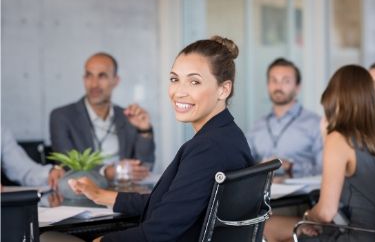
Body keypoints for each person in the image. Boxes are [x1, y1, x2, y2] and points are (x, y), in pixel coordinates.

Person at [67, 36, 254, 242]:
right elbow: (172, 203)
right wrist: (101, 195)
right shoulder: (227, 136)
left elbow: (159, 233)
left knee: (48, 237)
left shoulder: (208, 148)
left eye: (194, 81)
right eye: (175, 79)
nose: (179, 92)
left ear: (223, 89)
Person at [264, 65, 375, 242]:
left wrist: (307, 217)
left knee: (267, 226)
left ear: (335, 98)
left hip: (352, 235)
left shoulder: (339, 139)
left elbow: (326, 212)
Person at [50, 52, 155, 181]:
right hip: (84, 193)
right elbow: (67, 165)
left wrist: (144, 130)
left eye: (102, 76)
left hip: (123, 192)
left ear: (115, 81)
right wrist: (107, 172)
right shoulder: (62, 116)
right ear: (84, 79)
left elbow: (145, 168)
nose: (94, 84)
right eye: (89, 75)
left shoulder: (128, 117)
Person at [247, 58, 323, 179]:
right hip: (260, 195)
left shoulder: (316, 124)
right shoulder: (257, 125)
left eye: (286, 81)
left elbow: (325, 169)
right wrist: (259, 167)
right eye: (274, 80)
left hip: (301, 196)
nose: (278, 86)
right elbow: (245, 165)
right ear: (268, 85)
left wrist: (292, 167)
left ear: (297, 87)